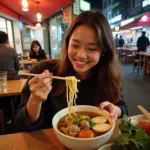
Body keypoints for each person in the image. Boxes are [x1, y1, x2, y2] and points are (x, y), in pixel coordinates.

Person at [15, 11, 128, 132]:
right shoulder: (43, 70)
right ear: (68, 43)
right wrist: (35, 100)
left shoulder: (108, 77)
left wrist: (116, 110)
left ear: (104, 51)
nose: (81, 55)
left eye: (91, 48)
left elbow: (123, 108)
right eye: (75, 45)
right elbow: (20, 124)